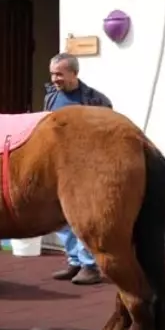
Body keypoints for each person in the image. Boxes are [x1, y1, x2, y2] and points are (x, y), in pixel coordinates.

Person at [45, 52, 113, 286]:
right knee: (62, 219)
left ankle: (89, 266)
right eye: (53, 74)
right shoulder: (51, 98)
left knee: (83, 219)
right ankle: (74, 261)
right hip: (59, 168)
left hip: (86, 169)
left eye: (60, 74)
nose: (55, 79)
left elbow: (108, 133)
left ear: (74, 73)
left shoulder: (95, 99)